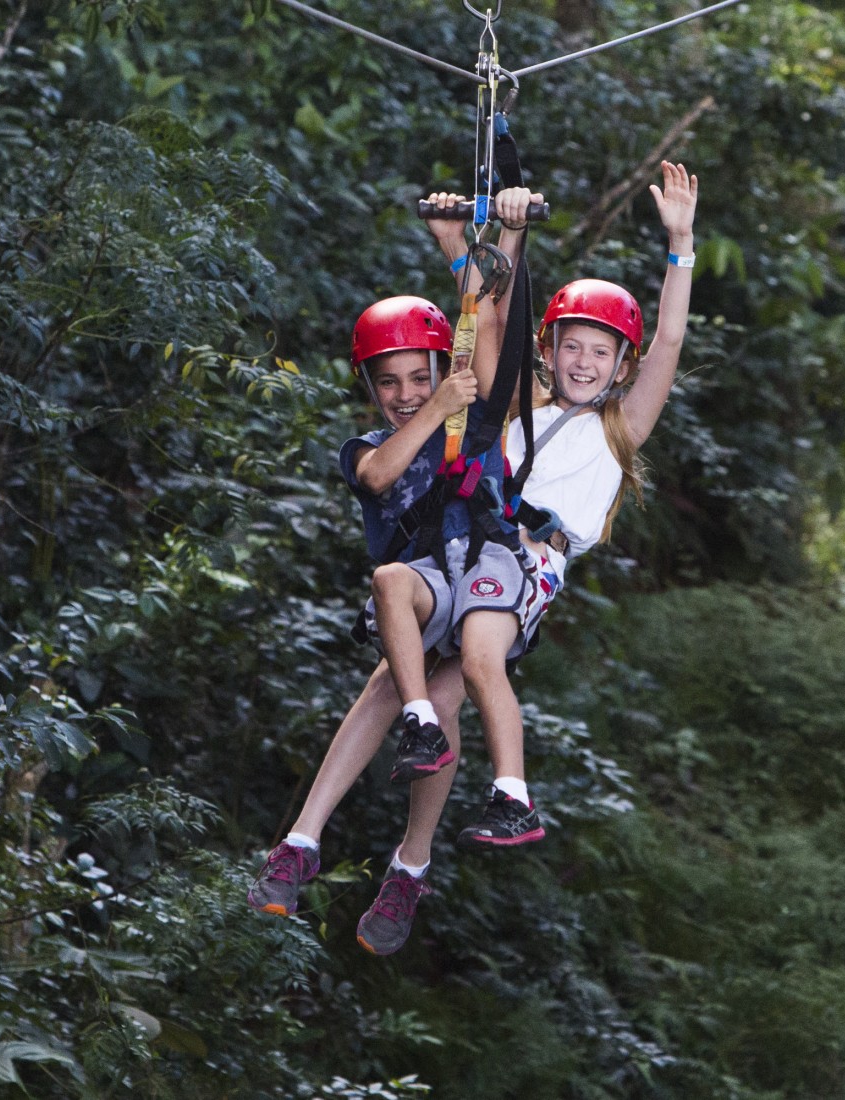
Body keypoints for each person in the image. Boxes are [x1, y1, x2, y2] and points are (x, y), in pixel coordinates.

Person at [368, 160, 698, 856]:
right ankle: (415, 800)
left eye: (599, 352)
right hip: (473, 548)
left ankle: (513, 795)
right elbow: (489, 325)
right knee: (416, 648)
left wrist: (680, 245)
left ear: (622, 368)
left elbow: (669, 339)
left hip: (530, 562)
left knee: (484, 658)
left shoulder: (617, 432)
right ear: (547, 351)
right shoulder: (518, 409)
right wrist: (473, 243)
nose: (583, 362)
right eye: (570, 346)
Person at [246, 202, 518, 954]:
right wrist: (438, 401)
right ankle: (306, 843)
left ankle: (406, 864)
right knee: (400, 676)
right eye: (387, 382)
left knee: (442, 690)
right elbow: (379, 478)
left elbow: (487, 323)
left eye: (416, 376)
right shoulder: (371, 444)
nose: (402, 393)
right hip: (424, 588)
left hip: (486, 585)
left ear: (440, 367)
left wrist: (462, 244)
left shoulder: (477, 429)